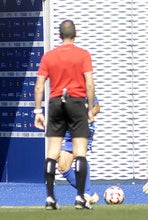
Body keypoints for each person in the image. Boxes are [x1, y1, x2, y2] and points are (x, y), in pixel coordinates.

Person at [34, 19, 95, 210]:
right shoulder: (83, 54)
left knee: (52, 151)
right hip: (76, 101)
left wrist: (38, 111)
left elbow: (39, 85)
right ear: (75, 34)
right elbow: (90, 83)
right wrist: (90, 108)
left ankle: (50, 198)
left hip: (55, 102)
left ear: (60, 36)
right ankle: (80, 198)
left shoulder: (49, 56)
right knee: (80, 151)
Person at [58, 96, 100, 207]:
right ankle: (89, 193)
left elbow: (97, 107)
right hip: (68, 130)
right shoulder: (59, 88)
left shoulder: (82, 86)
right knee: (63, 166)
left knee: (79, 155)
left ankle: (85, 195)